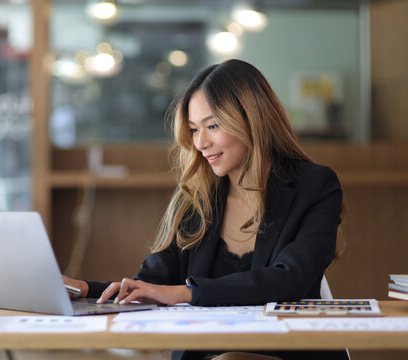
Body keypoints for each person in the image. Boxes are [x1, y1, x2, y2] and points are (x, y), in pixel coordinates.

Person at [63, 59, 347, 360]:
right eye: (194, 129)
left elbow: (290, 280)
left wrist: (188, 293)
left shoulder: (314, 185)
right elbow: (153, 285)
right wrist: (86, 290)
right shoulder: (196, 196)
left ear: (254, 119)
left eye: (212, 126)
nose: (201, 142)